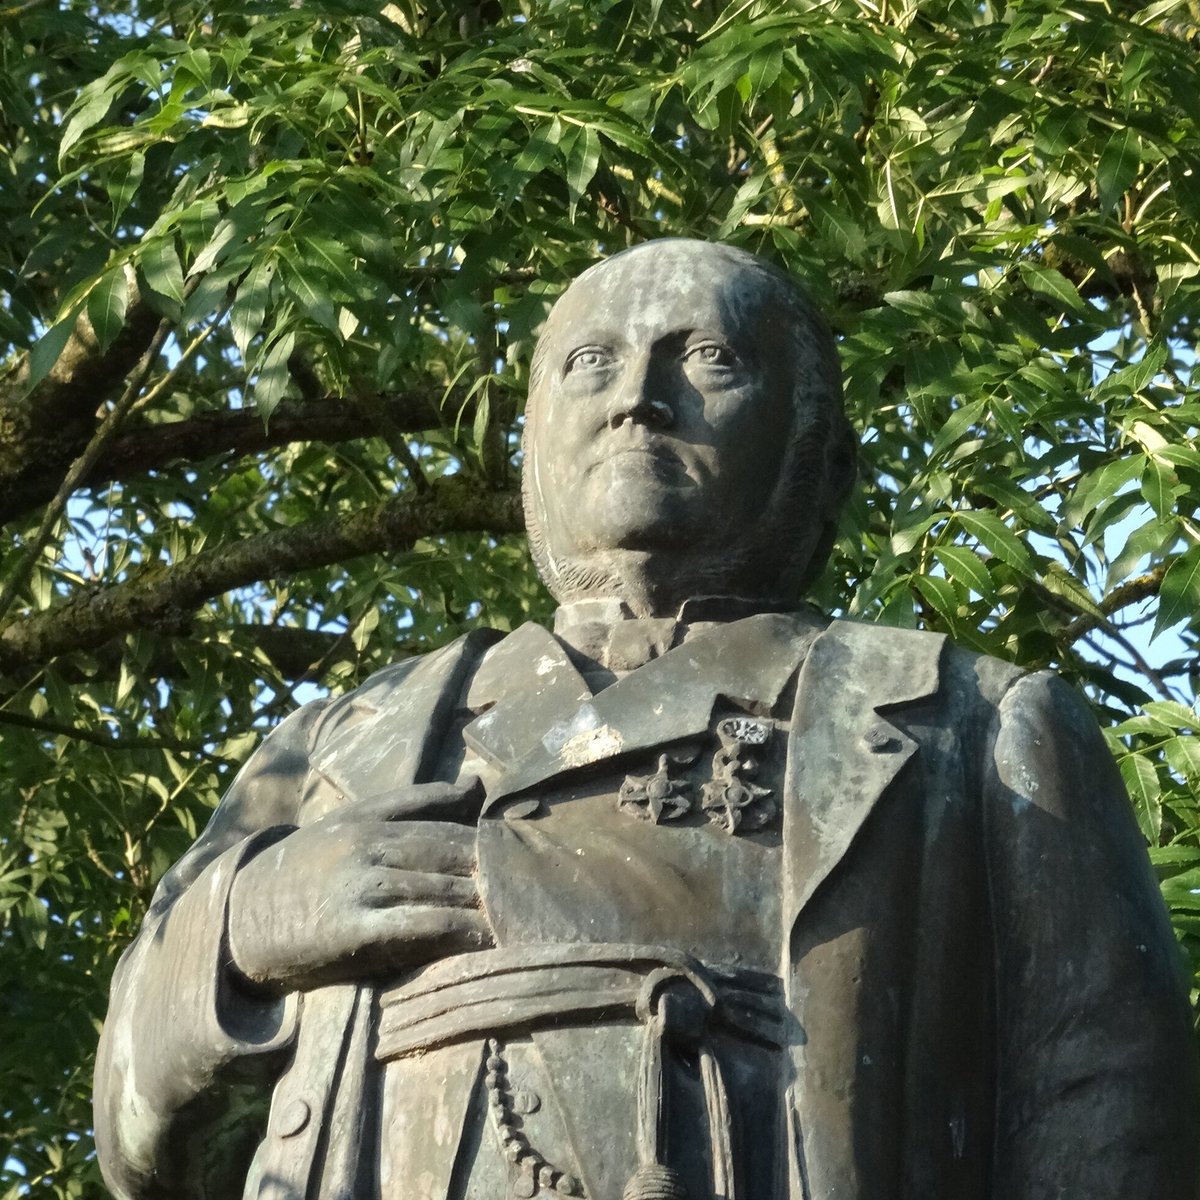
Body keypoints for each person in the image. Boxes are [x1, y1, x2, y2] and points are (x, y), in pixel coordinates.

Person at [95, 239, 1200, 1200]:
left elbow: (1105, 1110)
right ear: (532, 436)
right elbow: (131, 1137)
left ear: (817, 444)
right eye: (592, 364)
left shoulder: (974, 724)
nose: (637, 395)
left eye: (709, 358)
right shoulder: (346, 739)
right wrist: (239, 936)